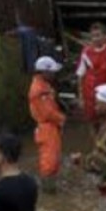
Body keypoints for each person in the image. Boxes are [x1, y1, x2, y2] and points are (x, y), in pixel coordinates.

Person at [29, 56, 66, 190]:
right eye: (52, 71)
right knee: (49, 163)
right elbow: (47, 113)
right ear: (43, 72)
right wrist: (62, 118)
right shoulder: (39, 89)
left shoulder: (44, 86)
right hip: (47, 128)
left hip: (49, 127)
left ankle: (49, 188)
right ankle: (48, 190)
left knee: (53, 159)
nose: (54, 74)